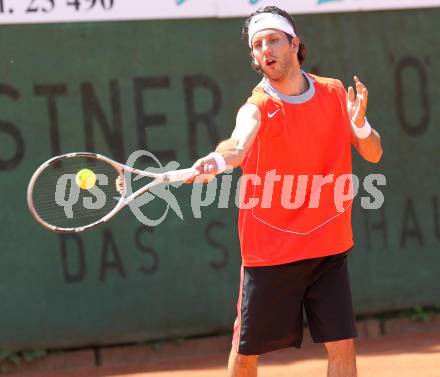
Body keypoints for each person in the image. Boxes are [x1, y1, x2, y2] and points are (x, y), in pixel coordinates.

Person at [186, 6, 383, 377]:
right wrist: (217, 159)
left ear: (294, 44)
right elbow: (238, 143)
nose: (265, 49)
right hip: (270, 252)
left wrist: (358, 127)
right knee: (246, 356)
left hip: (327, 245)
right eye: (257, 44)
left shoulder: (335, 93)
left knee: (342, 347)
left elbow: (374, 152)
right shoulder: (257, 106)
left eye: (273, 39)